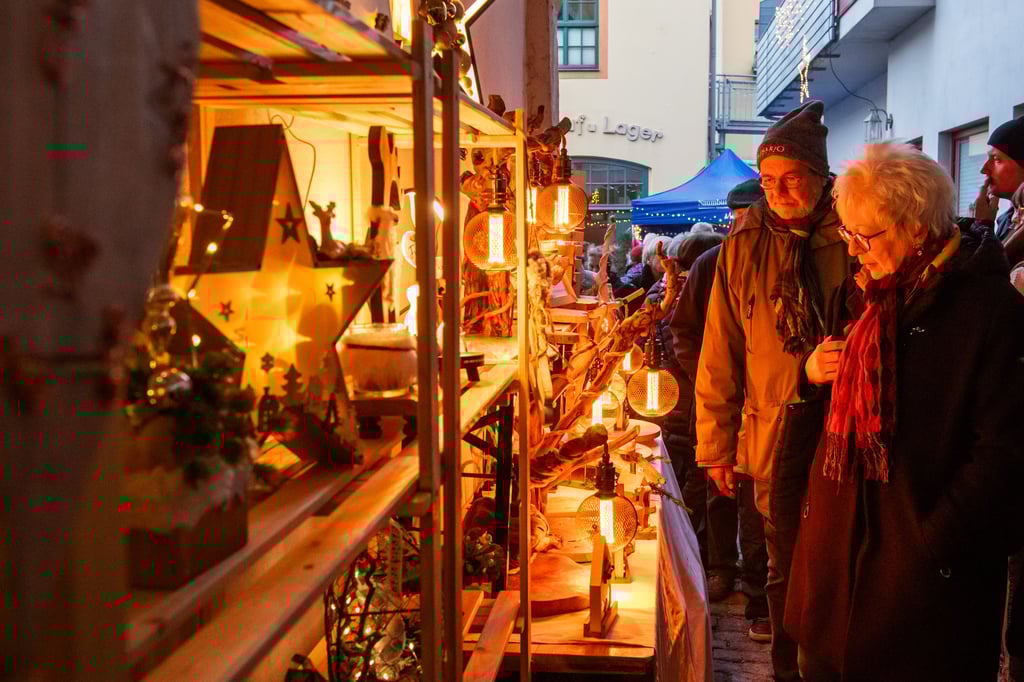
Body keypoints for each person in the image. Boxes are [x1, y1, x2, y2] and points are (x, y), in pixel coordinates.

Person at [785, 143, 1024, 680]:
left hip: (922, 595)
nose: (852, 251)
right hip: (832, 573)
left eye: (863, 236)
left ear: (914, 226)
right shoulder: (864, 293)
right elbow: (830, 413)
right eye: (846, 234)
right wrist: (812, 373)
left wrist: (929, 542)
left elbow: (1004, 454)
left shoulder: (991, 311)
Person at [694, 100, 853, 680]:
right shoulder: (743, 244)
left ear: (819, 177)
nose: (778, 191)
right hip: (769, 431)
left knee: (838, 562)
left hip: (844, 432)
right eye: (767, 180)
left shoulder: (853, 230)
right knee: (783, 563)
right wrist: (715, 445)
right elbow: (721, 350)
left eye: (791, 179)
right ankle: (789, 670)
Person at [671, 177, 769, 642]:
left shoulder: (778, 259)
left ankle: (757, 589)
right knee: (718, 484)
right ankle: (719, 568)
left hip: (763, 402)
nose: (748, 220)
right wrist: (708, 379)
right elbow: (684, 330)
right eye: (741, 213)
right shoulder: (711, 263)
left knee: (756, 499)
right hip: (716, 399)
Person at [975, 116, 1024, 241]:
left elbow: (992, 261)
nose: (984, 169)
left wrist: (982, 226)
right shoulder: (1006, 220)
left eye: (996, 159)